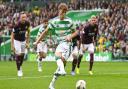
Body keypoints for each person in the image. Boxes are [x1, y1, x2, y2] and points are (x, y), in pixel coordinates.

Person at [34, 3, 78, 89]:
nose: (62, 14)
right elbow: (45, 32)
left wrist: (70, 36)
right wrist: (37, 41)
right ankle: (52, 84)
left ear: (66, 13)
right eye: (61, 12)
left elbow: (76, 32)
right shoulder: (54, 21)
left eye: (64, 13)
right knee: (57, 58)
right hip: (60, 44)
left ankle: (54, 81)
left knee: (62, 62)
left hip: (68, 44)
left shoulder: (69, 21)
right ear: (58, 11)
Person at [11, 12, 30, 77]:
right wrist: (12, 45)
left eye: (25, 17)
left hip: (23, 41)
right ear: (20, 18)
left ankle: (20, 66)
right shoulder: (17, 25)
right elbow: (12, 35)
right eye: (22, 17)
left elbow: (28, 32)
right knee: (18, 54)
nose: (24, 18)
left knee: (22, 54)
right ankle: (19, 70)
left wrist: (27, 42)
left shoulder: (28, 23)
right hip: (16, 41)